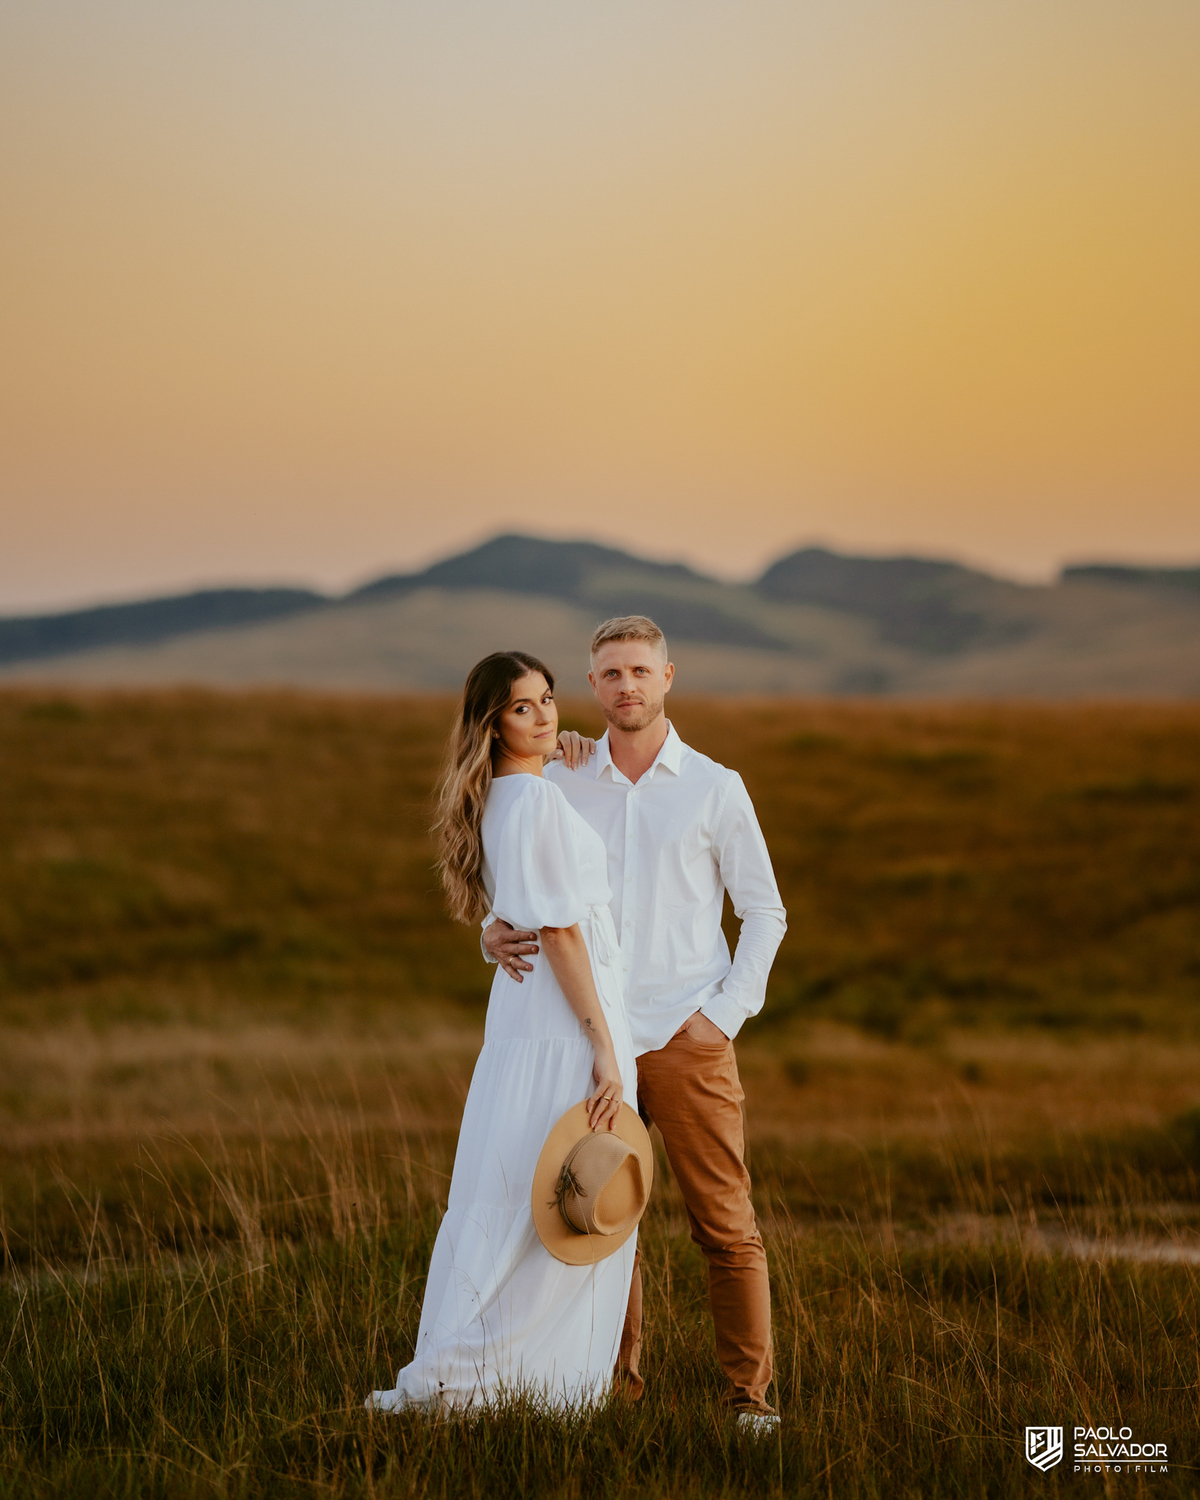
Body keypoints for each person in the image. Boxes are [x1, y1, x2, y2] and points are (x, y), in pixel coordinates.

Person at [484, 616, 788, 1434]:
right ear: (594, 686)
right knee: (605, 1220)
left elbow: (764, 912)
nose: (627, 686)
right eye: (611, 673)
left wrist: (718, 1018)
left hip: (685, 1036)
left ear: (668, 677)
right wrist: (491, 929)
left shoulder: (714, 785)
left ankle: (749, 1401)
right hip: (595, 1046)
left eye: (640, 671)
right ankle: (615, 1390)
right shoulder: (564, 777)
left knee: (726, 1226)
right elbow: (532, 881)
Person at [366, 650, 639, 1414]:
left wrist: (570, 747)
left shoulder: (514, 794)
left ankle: (500, 1372)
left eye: (549, 698)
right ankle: (511, 1381)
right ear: (493, 724)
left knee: (525, 1184)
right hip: (563, 1019)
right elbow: (558, 931)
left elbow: (529, 906)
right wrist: (602, 1044)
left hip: (531, 1018)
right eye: (524, 707)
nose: (546, 714)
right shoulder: (535, 801)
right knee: (558, 1188)